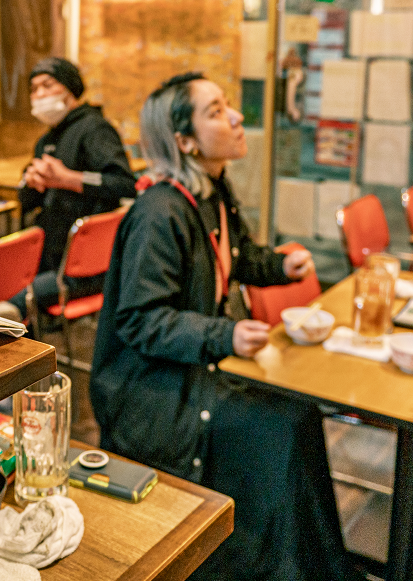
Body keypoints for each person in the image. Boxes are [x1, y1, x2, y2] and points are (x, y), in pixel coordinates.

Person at [90, 72, 361, 581]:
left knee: (297, 411)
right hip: (150, 392)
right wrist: (225, 335)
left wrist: (280, 267)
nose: (237, 116)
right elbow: (139, 320)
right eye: (216, 110)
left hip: (193, 367)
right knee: (279, 424)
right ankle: (272, 566)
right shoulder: (159, 213)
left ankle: (314, 565)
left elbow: (231, 259)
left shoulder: (211, 193)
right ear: (185, 142)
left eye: (228, 104)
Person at [0, 57, 136, 322]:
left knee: (11, 302)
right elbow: (27, 202)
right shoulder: (47, 140)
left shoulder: (95, 129)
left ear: (70, 89)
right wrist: (31, 181)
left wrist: (68, 179)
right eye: (34, 89)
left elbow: (125, 184)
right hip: (48, 253)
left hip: (86, 267)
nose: (39, 95)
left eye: (48, 85)